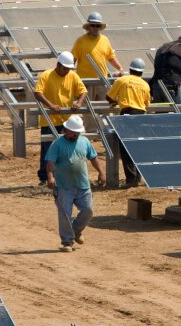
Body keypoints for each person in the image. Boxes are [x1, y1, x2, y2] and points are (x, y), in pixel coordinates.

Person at [45, 114, 105, 252]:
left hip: (82, 184)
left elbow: (93, 158)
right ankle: (67, 242)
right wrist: (50, 177)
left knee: (88, 210)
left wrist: (101, 172)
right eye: (74, 132)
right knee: (65, 213)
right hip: (64, 186)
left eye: (78, 132)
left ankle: (76, 229)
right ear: (66, 130)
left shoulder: (84, 141)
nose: (76, 134)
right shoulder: (57, 144)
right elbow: (50, 162)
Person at [34, 51, 88, 186]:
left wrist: (79, 102)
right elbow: (37, 92)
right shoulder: (46, 75)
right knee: (48, 149)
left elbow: (83, 90)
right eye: (64, 68)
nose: (66, 71)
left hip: (67, 121)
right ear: (58, 64)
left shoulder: (73, 76)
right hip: (50, 120)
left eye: (68, 69)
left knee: (66, 149)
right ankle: (45, 177)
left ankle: (63, 175)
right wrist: (50, 105)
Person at [106, 58, 150, 187]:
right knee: (138, 147)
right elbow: (146, 103)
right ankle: (137, 177)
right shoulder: (145, 85)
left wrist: (116, 101)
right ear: (141, 72)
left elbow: (108, 97)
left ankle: (131, 180)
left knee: (126, 148)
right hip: (141, 116)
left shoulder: (122, 80)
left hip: (126, 115)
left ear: (130, 69)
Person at [70, 12, 124, 106]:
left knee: (104, 108)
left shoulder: (105, 39)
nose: (95, 28)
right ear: (88, 27)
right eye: (93, 25)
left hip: (102, 81)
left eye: (97, 26)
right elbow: (73, 60)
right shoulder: (80, 41)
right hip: (86, 82)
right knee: (88, 110)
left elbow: (110, 57)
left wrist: (120, 68)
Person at [150, 33, 181, 105]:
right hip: (172, 88)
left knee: (159, 114)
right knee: (177, 113)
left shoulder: (163, 47)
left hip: (156, 85)